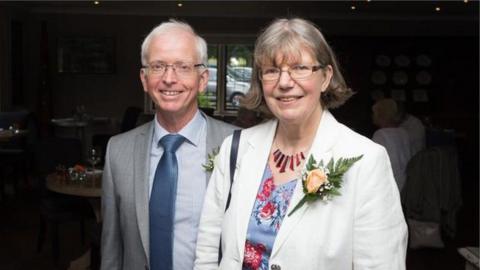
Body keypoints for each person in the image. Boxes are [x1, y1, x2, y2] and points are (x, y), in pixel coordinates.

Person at [195, 18, 407, 270]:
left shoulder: (365, 160)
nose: (284, 82)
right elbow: (208, 250)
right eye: (272, 70)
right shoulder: (236, 148)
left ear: (326, 77)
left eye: (299, 68)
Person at [101, 19, 236, 270]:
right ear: (144, 78)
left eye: (183, 67)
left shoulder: (238, 146)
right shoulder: (117, 151)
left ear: (203, 78)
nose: (169, 79)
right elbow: (112, 248)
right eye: (158, 66)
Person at [371, 98, 412, 191]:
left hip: (390, 184)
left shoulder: (381, 134)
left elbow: (374, 164)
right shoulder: (404, 132)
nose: (372, 116)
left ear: (381, 114)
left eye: (374, 113)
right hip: (406, 183)